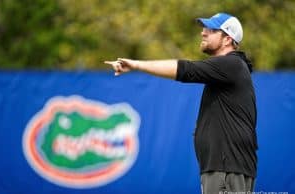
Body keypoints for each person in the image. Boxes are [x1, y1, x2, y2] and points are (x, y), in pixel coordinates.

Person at [105, 13, 258, 194]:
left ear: (227, 39)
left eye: (211, 29)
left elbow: (187, 70)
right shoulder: (229, 70)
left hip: (226, 168)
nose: (203, 33)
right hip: (227, 167)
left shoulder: (231, 64)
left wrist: (136, 65)